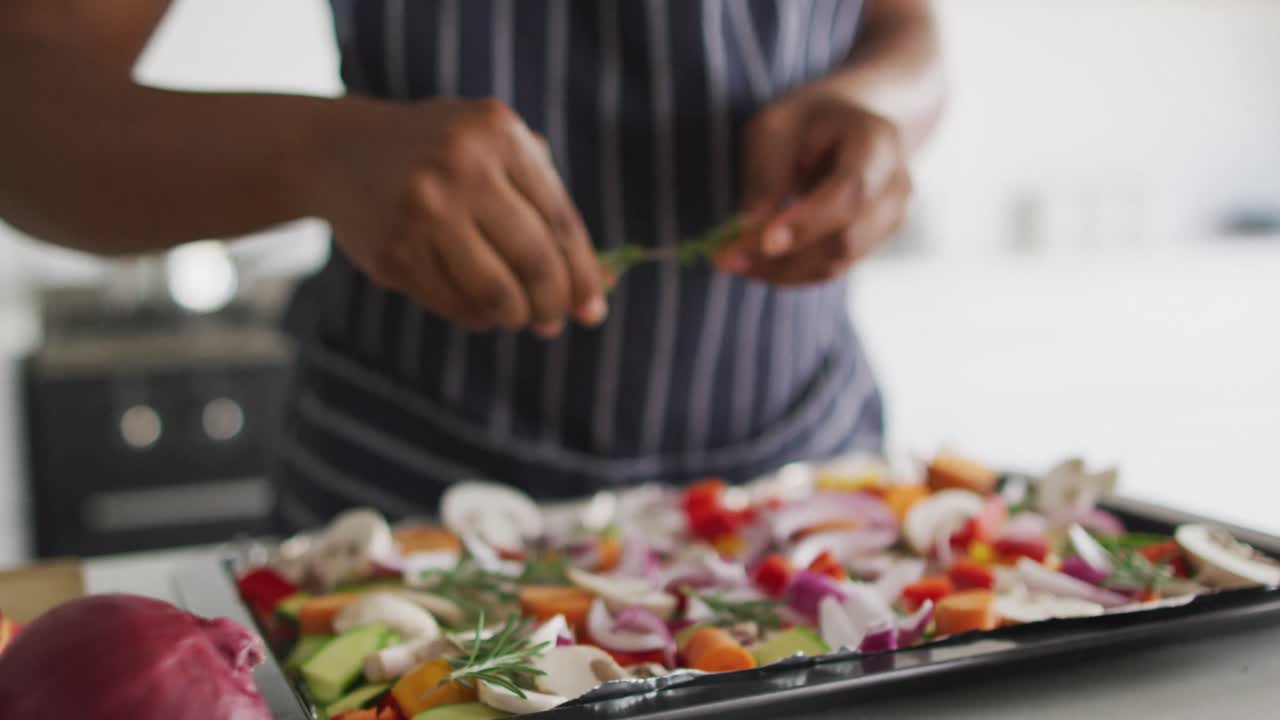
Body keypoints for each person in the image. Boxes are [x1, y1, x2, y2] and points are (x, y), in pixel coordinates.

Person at [0, 1, 943, 530]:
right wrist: (321, 155)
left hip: (805, 497)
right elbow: (22, 110)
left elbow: (907, 30)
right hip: (407, 515)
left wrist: (877, 115)